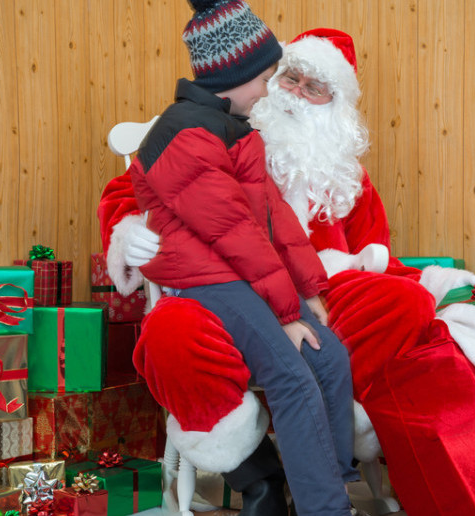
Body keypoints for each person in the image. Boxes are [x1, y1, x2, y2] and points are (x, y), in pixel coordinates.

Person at [103, 27, 475, 516]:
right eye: (289, 79)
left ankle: (329, 473)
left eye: (314, 86)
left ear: (337, 105)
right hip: (213, 290)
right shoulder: (208, 134)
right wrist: (127, 232)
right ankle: (257, 476)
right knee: (172, 334)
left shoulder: (345, 177)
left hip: (316, 290)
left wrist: (422, 285)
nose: (296, 94)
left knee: (396, 309)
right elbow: (139, 193)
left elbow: (374, 254)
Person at [117, 3, 360, 516]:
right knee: (293, 378)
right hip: (203, 279)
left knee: (330, 359)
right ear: (236, 76)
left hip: (239, 274)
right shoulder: (185, 135)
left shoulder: (235, 123)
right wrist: (287, 313)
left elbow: (275, 220)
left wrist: (311, 290)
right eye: (269, 76)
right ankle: (327, 510)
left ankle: (330, 489)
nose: (273, 86)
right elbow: (235, 235)